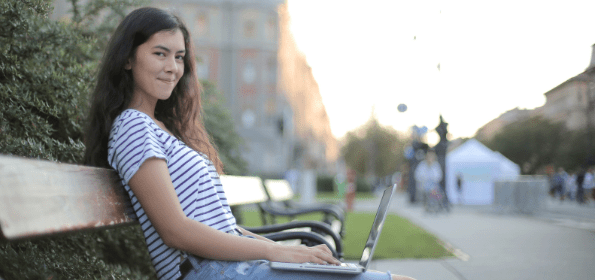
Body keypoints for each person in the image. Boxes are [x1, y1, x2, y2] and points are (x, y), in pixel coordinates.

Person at [82, 7, 413, 280]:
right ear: (128, 58)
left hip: (226, 268)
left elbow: (222, 226)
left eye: (180, 57)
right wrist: (275, 250)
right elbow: (176, 232)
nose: (173, 68)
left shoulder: (160, 129)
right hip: (209, 272)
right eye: (160, 54)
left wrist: (291, 252)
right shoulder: (132, 127)